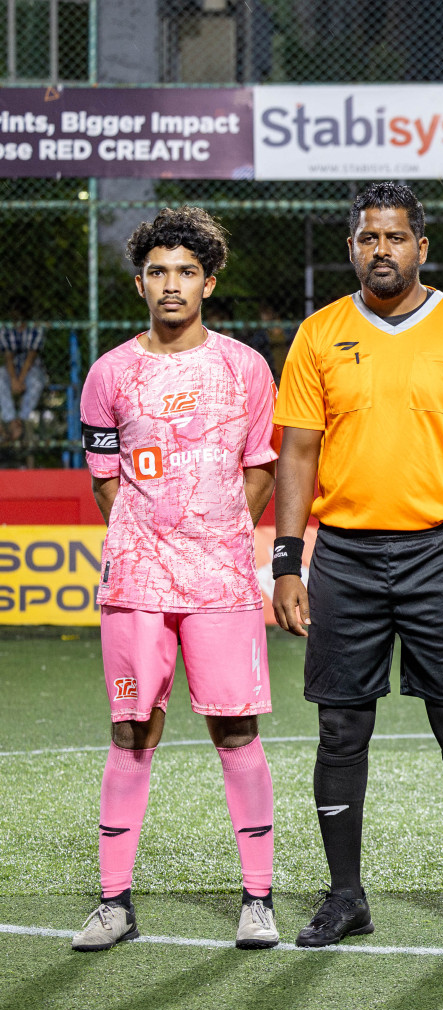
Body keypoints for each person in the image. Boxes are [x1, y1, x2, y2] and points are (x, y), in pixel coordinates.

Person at [271, 183, 443, 949]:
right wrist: (287, 560)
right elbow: (298, 454)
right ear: (352, 248)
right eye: (369, 237)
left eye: (396, 237)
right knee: (340, 730)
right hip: (343, 553)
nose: (383, 249)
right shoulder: (319, 334)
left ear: (421, 248)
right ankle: (346, 898)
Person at [72, 208, 278, 951]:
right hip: (135, 582)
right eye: (158, 271)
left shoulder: (244, 367)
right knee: (132, 730)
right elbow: (106, 483)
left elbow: (259, 472)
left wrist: (213, 534)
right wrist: (152, 539)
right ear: (139, 284)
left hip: (220, 581)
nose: (171, 284)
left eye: (186, 271)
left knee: (235, 728)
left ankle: (258, 899)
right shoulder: (110, 374)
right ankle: (113, 903)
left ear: (209, 281)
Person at [0, 316, 46, 445]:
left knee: (36, 381)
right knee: (0, 376)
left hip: (31, 370)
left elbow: (31, 357)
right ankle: (11, 420)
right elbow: (8, 357)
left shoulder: (36, 328)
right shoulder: (5, 329)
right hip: (11, 371)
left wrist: (19, 380)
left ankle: (21, 419)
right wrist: (14, 379)